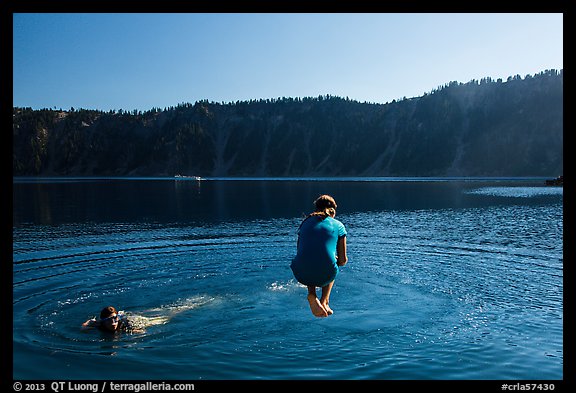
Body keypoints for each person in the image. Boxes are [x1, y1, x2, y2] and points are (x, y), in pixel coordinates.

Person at [291, 194, 348, 317]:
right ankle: (325, 301)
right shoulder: (338, 225)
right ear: (333, 210)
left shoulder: (305, 223)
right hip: (325, 272)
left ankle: (311, 294)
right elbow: (343, 260)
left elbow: (300, 251)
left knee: (310, 259)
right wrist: (336, 260)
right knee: (332, 262)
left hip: (301, 272)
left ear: (316, 209)